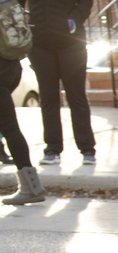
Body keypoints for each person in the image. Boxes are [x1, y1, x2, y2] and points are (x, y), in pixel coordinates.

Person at [25, 0, 97, 166]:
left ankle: (87, 148)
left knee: (76, 96)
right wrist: (23, 23)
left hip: (71, 43)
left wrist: (74, 19)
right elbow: (16, 5)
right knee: (48, 97)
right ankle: (52, 148)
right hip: (39, 44)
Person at [0, 55, 45, 204]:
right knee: (10, 129)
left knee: (10, 128)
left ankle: (31, 188)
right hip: (10, 68)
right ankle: (31, 187)